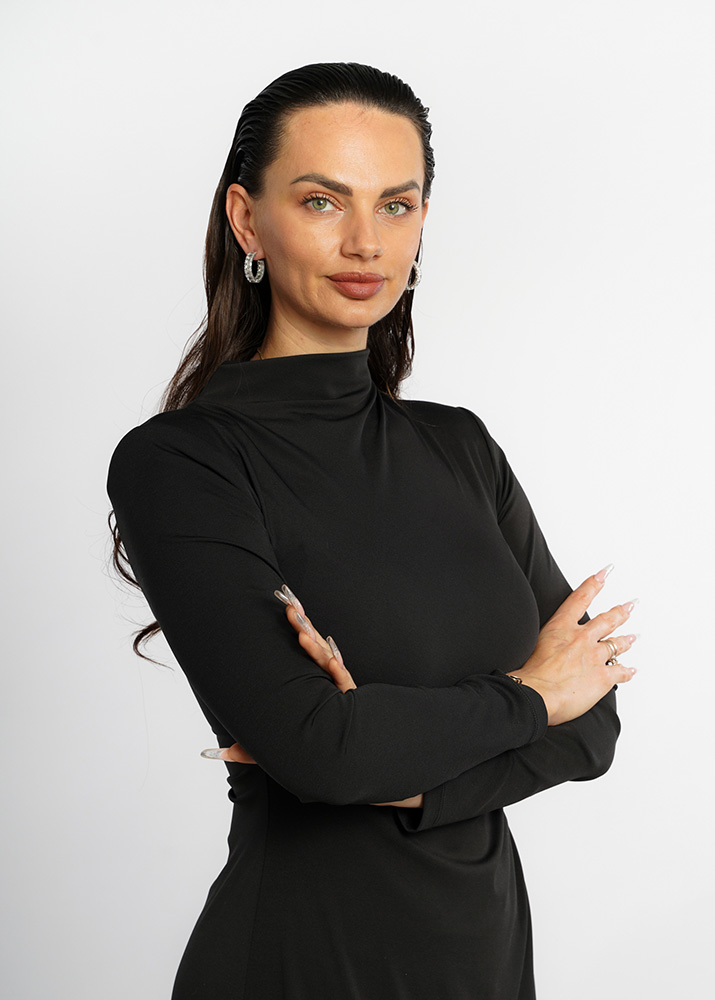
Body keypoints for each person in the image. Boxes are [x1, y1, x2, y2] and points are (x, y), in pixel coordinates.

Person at [106, 62, 638, 1000]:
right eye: (322, 200)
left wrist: (394, 767)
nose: (364, 241)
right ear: (246, 221)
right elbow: (320, 750)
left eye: (396, 204)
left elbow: (591, 725)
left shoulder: (459, 446)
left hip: (484, 961)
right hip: (299, 962)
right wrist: (528, 696)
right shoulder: (183, 463)